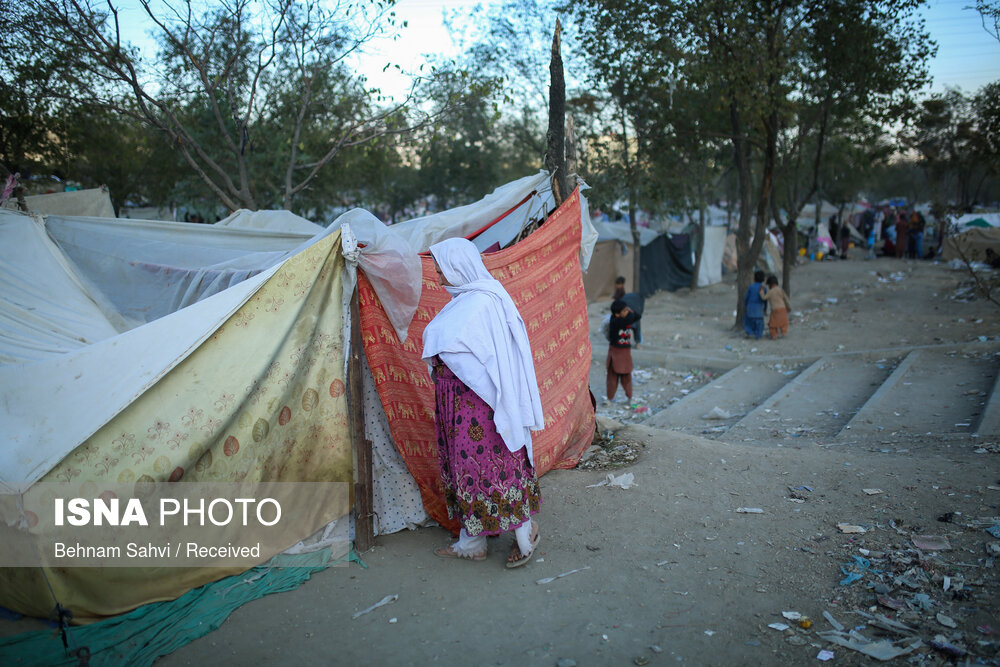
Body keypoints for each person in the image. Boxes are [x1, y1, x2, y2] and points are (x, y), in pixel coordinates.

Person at [422, 238, 545, 568]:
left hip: (482, 405)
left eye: (440, 270)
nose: (438, 277)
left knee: (496, 465)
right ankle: (472, 542)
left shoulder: (483, 302)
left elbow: (482, 358)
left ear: (457, 267)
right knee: (465, 470)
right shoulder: (463, 302)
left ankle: (524, 535)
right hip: (456, 404)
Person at [606, 299, 640, 404]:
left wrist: (627, 310)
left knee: (626, 376)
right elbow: (633, 317)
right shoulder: (616, 321)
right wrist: (630, 312)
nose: (628, 312)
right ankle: (610, 398)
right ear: (617, 314)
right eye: (624, 310)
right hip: (615, 352)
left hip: (625, 352)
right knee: (612, 377)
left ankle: (629, 397)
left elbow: (637, 315)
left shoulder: (625, 317)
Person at [761, 275, 791, 339]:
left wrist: (761, 291)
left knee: (773, 324)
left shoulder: (770, 292)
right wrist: (789, 307)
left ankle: (774, 335)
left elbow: (764, 298)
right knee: (783, 322)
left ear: (769, 284)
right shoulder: (780, 290)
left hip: (774, 310)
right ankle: (783, 332)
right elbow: (786, 299)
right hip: (782, 308)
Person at [743, 270, 766, 339]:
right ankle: (758, 335)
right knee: (759, 323)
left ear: (754, 278)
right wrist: (765, 308)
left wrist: (746, 304)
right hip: (759, 309)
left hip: (750, 308)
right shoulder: (763, 288)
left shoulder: (751, 287)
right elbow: (765, 300)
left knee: (748, 322)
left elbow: (746, 297)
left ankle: (750, 333)